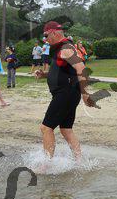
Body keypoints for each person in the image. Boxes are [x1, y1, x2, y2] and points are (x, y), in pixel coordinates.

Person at [34, 22, 98, 169]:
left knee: (46, 128)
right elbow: (63, 71)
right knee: (66, 129)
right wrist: (45, 74)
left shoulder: (66, 48)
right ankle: (79, 162)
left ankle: (46, 165)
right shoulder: (60, 48)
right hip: (67, 93)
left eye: (46, 35)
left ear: (54, 33)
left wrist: (85, 94)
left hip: (65, 94)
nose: (45, 39)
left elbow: (81, 68)